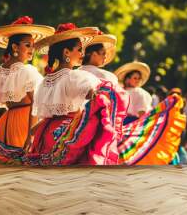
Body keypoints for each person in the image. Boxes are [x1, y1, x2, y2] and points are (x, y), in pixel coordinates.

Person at [29, 23, 125, 165]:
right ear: (67, 52)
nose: (82, 54)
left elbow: (42, 113)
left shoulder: (45, 81)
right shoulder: (74, 76)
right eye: (79, 50)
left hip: (44, 133)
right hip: (66, 134)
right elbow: (94, 96)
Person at [0, 16, 55, 163]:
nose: (32, 50)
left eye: (33, 45)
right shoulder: (27, 71)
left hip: (4, 123)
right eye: (27, 45)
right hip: (24, 125)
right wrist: (30, 136)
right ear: (14, 47)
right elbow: (36, 105)